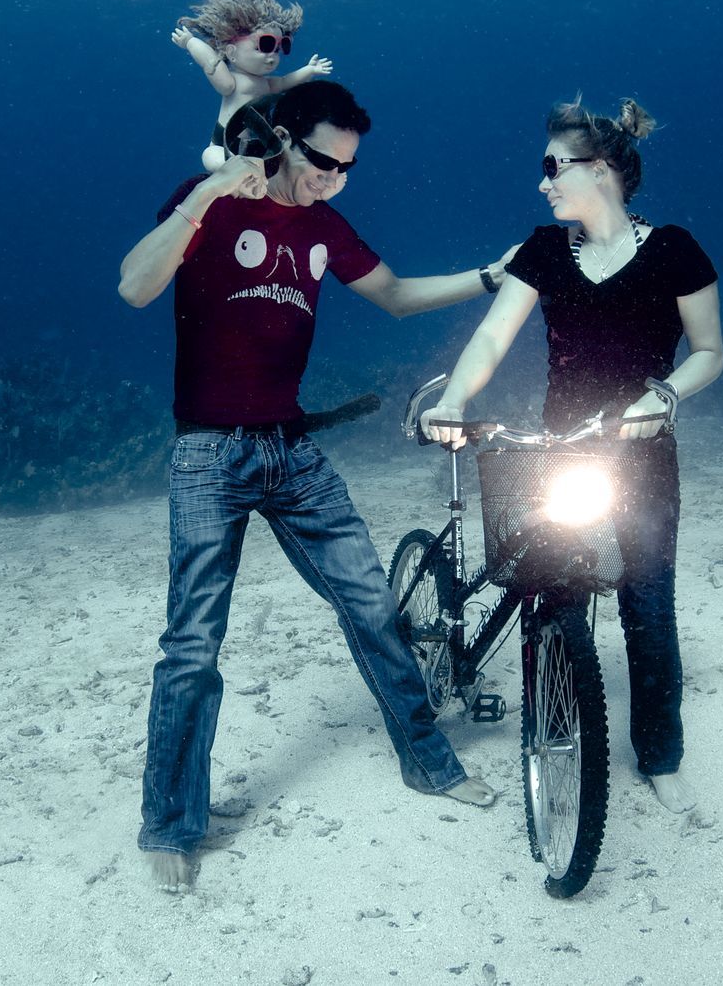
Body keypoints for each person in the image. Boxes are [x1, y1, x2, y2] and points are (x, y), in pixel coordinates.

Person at [118, 80, 500, 894]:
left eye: (348, 167)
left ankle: (432, 766)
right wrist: (215, 188)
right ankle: (171, 824)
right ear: (279, 138)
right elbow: (134, 285)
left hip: (294, 453)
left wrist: (489, 276)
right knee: (192, 645)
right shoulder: (210, 200)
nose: (334, 178)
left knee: (370, 605)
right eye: (324, 161)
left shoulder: (324, 225)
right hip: (208, 457)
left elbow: (395, 296)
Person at [421, 96, 723, 814]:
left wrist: (665, 397)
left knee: (648, 599)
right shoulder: (543, 251)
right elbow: (493, 338)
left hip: (644, 454)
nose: (543, 182)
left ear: (603, 171)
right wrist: (454, 401)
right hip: (558, 450)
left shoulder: (678, 249)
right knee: (552, 590)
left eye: (553, 167)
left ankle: (661, 753)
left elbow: (709, 352)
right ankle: (553, 731)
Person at [171, 0, 335, 172]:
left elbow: (285, 82)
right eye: (265, 45)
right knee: (211, 157)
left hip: (259, 147)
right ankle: (234, 172)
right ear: (231, 52)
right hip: (223, 145)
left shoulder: (266, 84)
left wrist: (309, 70)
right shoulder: (231, 83)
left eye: (279, 47)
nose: (272, 56)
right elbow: (210, 61)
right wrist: (190, 42)